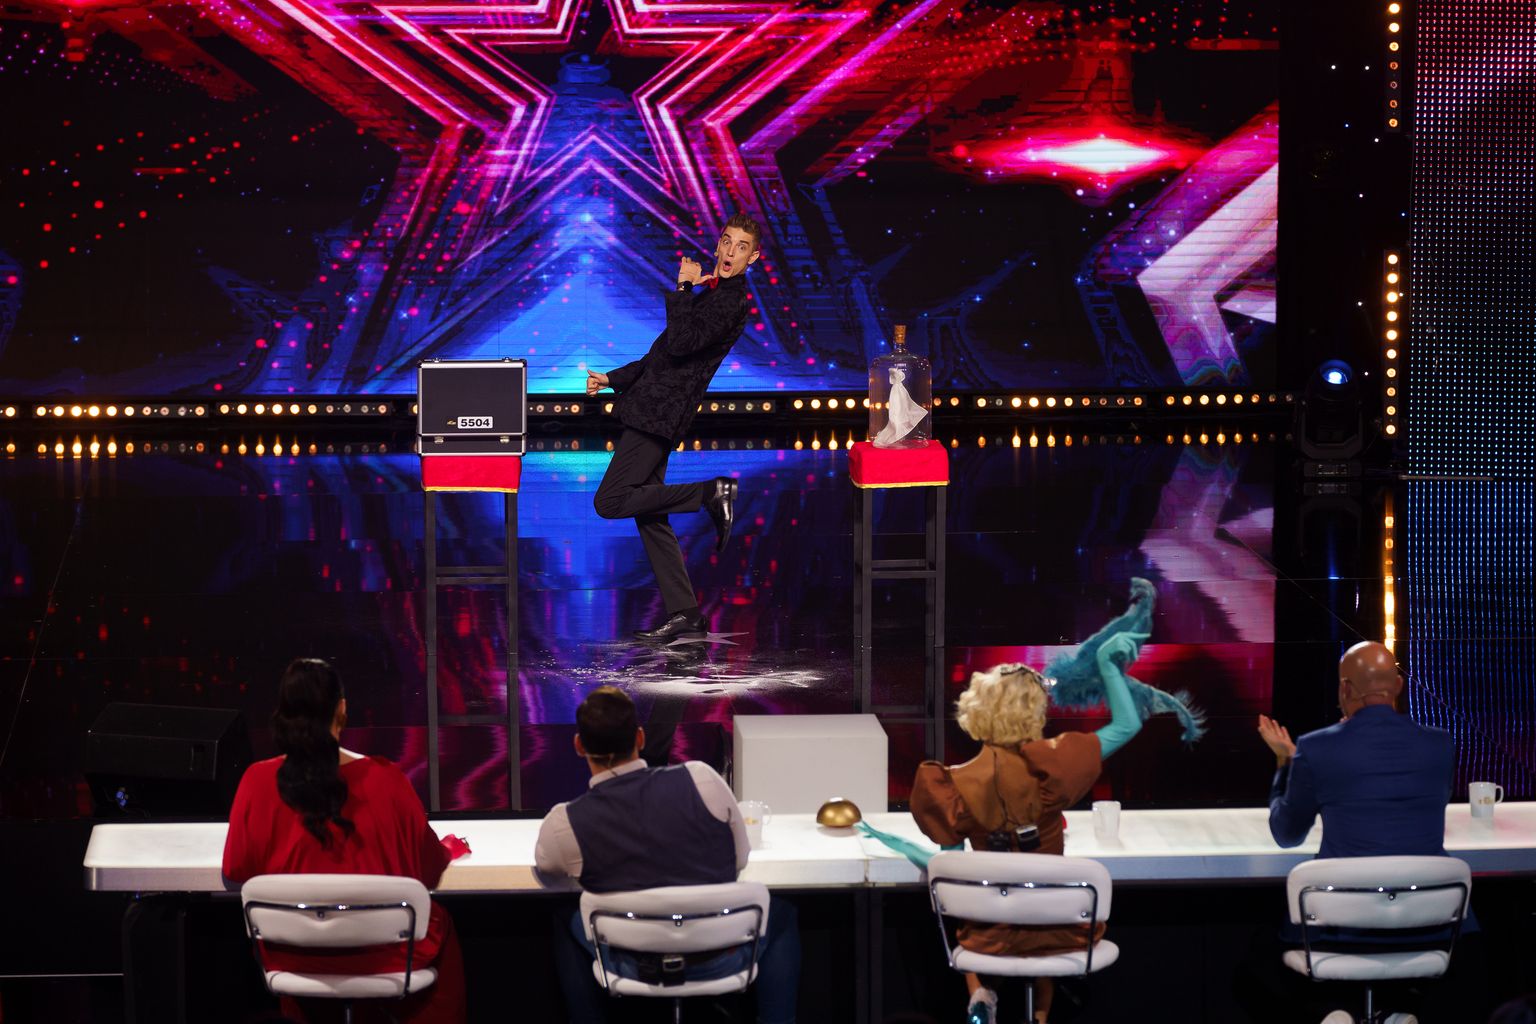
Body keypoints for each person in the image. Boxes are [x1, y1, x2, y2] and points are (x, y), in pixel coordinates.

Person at [860, 627, 1150, 1024]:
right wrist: (1107, 666)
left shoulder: (949, 784)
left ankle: (981, 993)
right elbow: (1127, 725)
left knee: (982, 916)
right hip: (1059, 932)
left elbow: (950, 866)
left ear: (977, 709)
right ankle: (1040, 1017)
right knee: (1040, 914)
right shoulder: (1057, 768)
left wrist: (902, 845)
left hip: (988, 936)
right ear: (1035, 711)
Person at [223, 659, 471, 1024]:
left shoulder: (256, 782)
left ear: (283, 713)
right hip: (387, 958)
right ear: (341, 709)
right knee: (441, 924)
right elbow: (427, 872)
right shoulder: (387, 780)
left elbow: (236, 868)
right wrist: (446, 850)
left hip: (293, 957)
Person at [535, 686, 800, 1024]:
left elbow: (548, 872)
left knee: (566, 917)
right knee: (782, 914)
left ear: (578, 745)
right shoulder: (702, 780)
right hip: (722, 958)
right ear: (640, 737)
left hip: (630, 964)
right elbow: (738, 860)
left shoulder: (564, 823)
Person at [1243, 640, 1470, 1024]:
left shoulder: (1316, 748)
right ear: (1398, 685)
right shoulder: (1440, 745)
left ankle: (1333, 1012)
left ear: (1345, 689)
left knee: (1255, 962)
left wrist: (1286, 761)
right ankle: (1391, 1012)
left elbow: (1286, 833)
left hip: (1341, 931)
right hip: (1430, 928)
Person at [586, 213, 762, 642]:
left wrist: (683, 288)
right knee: (650, 516)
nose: (731, 252)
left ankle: (710, 493)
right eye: (727, 242)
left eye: (741, 247)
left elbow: (682, 343)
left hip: (658, 414)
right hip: (653, 407)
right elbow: (662, 355)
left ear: (752, 258)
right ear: (717, 246)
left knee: (609, 501)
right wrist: (612, 378)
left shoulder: (731, 301)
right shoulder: (713, 293)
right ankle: (685, 612)